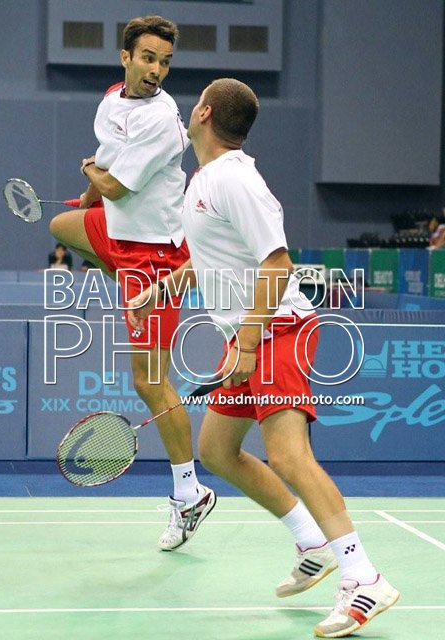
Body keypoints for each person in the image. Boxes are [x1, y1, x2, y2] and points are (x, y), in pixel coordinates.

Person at [129, 78, 399, 638]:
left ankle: (364, 577)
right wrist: (161, 290)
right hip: (249, 333)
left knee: (289, 456)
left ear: (204, 114)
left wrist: (249, 344)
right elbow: (214, 258)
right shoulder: (206, 181)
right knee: (217, 450)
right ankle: (311, 541)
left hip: (280, 330)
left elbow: (277, 264)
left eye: (194, 105)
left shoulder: (236, 179)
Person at [49, 15, 215, 551]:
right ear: (126, 57)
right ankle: (122, 280)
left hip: (156, 257)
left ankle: (189, 493)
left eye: (165, 62)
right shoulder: (111, 100)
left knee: (149, 383)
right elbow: (106, 170)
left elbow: (116, 185)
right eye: (148, 58)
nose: (156, 70)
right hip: (121, 239)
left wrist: (91, 175)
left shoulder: (163, 121)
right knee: (62, 225)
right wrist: (89, 196)